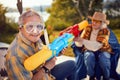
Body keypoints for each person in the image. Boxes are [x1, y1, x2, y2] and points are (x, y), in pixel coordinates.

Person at [5, 9, 76, 80]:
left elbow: (42, 54)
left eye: (39, 26)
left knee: (72, 64)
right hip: (43, 72)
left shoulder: (34, 38)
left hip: (46, 74)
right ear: (20, 29)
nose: (35, 31)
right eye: (29, 26)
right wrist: (46, 68)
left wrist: (56, 52)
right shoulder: (15, 56)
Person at [74, 12, 112, 80]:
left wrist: (82, 40)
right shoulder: (88, 27)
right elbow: (80, 45)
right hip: (89, 49)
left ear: (102, 23)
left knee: (104, 59)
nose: (94, 23)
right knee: (89, 56)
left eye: (97, 22)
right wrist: (77, 40)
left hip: (103, 50)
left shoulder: (105, 31)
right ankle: (91, 76)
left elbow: (96, 46)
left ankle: (106, 77)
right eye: (93, 20)